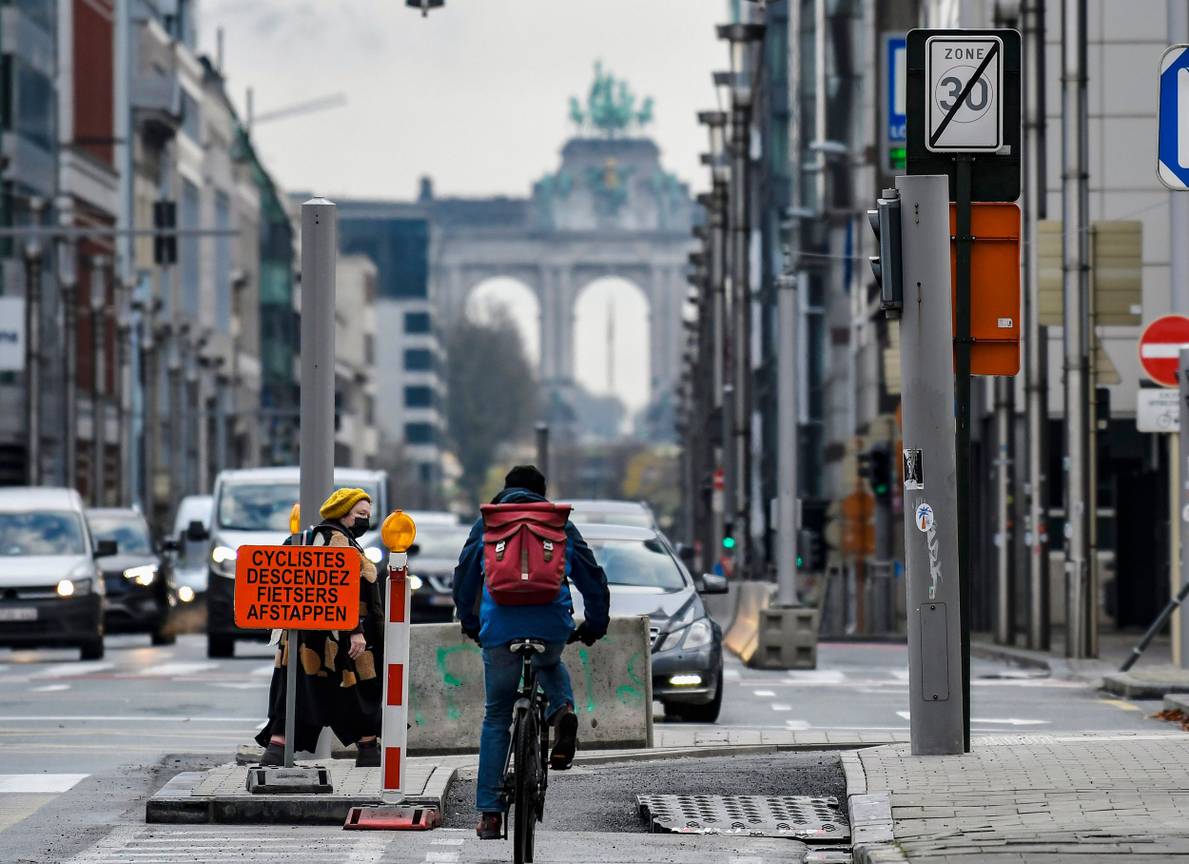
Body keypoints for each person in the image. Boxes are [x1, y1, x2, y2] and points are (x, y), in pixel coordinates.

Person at [453, 465, 610, 840]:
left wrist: (471, 623)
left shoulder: (488, 523)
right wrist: (594, 624)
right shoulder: (559, 525)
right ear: (543, 492)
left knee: (496, 717)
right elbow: (592, 577)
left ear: (505, 490)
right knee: (550, 660)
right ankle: (562, 712)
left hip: (500, 625)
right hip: (550, 622)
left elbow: (465, 576)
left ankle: (490, 814)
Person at [256, 487, 385, 768]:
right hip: (340, 636)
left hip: (301, 639)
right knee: (360, 690)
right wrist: (355, 630)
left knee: (296, 692)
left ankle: (276, 751)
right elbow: (341, 589)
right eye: (360, 514)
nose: (366, 519)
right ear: (343, 513)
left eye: (368, 514)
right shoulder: (339, 542)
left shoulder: (304, 541)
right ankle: (368, 751)